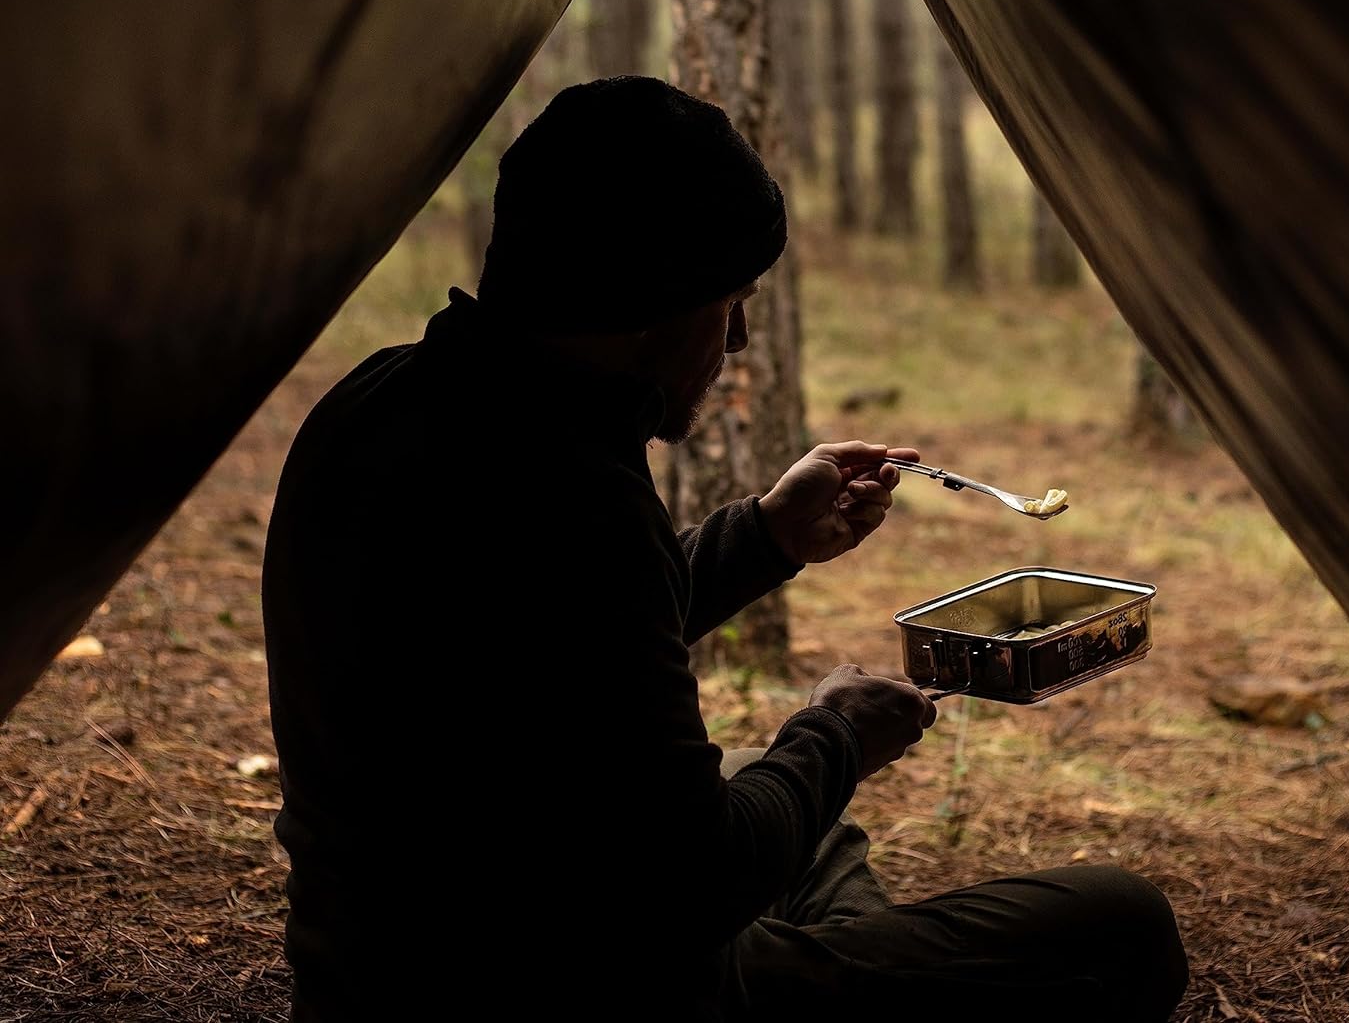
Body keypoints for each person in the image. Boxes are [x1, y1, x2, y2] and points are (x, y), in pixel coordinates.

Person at [262, 75, 1187, 1022]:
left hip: (375, 959)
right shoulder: (571, 493)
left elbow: (552, 640)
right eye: (729, 301)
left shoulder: (381, 401)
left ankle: (859, 968)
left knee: (769, 786)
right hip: (568, 983)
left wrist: (765, 537)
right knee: (1121, 925)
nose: (739, 338)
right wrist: (837, 735)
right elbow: (695, 883)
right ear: (652, 299)